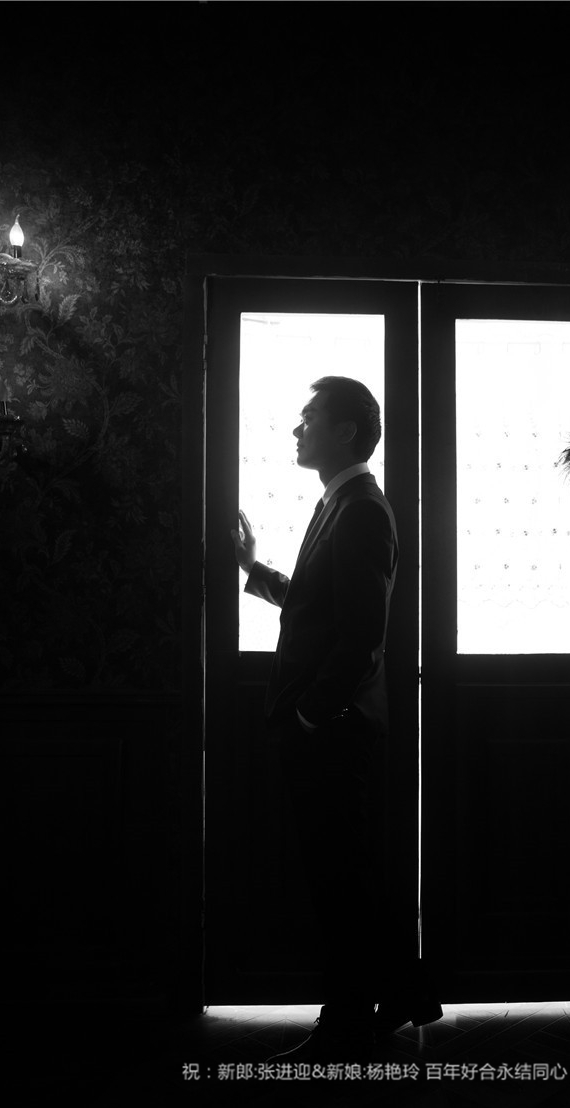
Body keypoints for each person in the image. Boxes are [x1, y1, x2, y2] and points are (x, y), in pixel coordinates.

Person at [232, 376, 441, 1062]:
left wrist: (310, 716)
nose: (297, 429)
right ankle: (395, 997)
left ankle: (349, 1021)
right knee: (344, 875)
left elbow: (361, 640)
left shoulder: (361, 511)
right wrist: (253, 568)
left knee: (340, 880)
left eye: (309, 417)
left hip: (334, 731)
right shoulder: (342, 503)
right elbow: (315, 609)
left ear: (346, 431)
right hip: (330, 727)